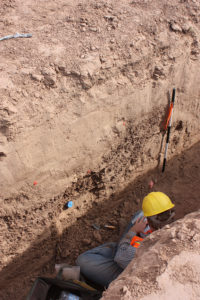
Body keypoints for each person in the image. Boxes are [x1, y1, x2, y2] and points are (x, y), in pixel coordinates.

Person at [76, 192, 175, 288]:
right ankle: (118, 246)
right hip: (129, 255)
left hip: (125, 270)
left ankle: (117, 247)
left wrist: (132, 232)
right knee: (140, 215)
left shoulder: (148, 247)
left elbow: (120, 257)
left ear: (149, 222)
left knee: (82, 260)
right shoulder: (175, 231)